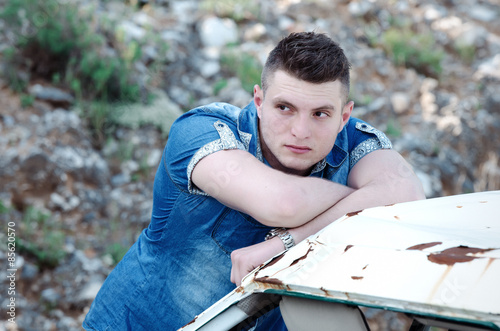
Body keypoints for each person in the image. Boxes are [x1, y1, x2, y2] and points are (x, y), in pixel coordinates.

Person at [83, 31, 425, 330]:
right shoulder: (203, 132)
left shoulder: (354, 141)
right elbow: (282, 204)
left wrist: (284, 244)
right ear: (258, 101)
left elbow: (408, 197)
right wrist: (363, 199)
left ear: (344, 116)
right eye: (284, 108)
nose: (300, 131)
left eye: (320, 114)